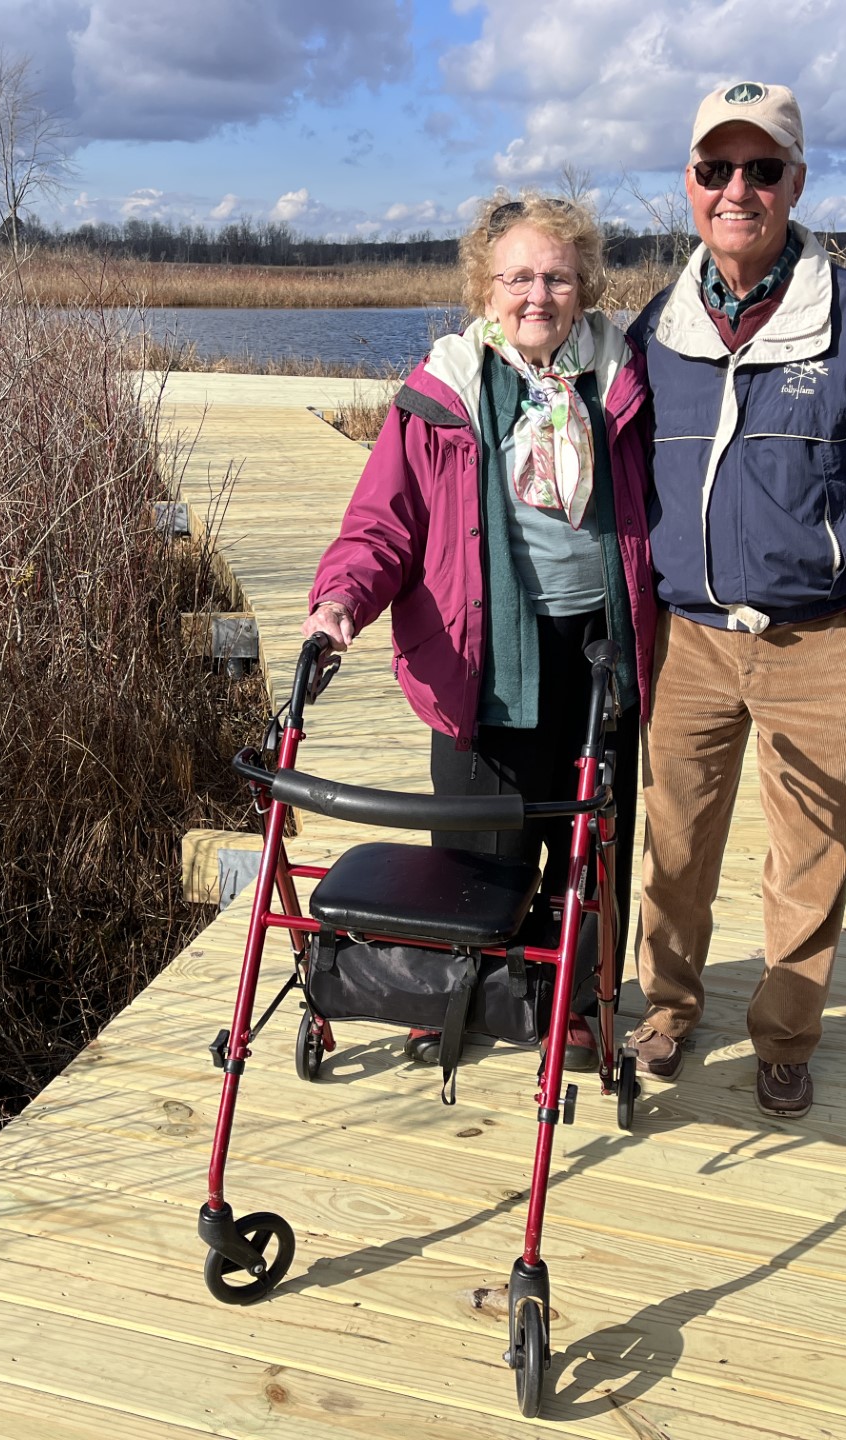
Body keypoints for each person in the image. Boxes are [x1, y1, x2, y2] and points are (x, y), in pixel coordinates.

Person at [625, 81, 846, 1116]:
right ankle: (669, 1006)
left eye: (761, 170)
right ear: (689, 185)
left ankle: (784, 1034)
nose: (738, 189)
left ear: (795, 184)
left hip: (822, 642)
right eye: (717, 169)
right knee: (671, 845)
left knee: (809, 857)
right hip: (687, 639)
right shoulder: (655, 327)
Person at [304, 193, 657, 1071]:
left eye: (559, 277)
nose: (539, 295)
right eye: (520, 277)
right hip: (480, 662)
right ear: (485, 285)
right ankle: (454, 990)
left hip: (597, 657)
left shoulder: (623, 381)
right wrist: (341, 600)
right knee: (476, 855)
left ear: (585, 286)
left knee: (590, 846)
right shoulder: (444, 393)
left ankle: (577, 998)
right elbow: (382, 524)